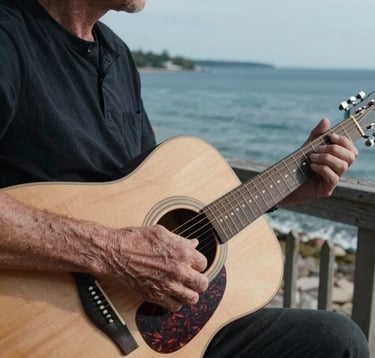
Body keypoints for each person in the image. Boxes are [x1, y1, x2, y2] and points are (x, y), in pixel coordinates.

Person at [0, 0, 369, 357]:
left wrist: (287, 189)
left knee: (335, 339)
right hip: (40, 330)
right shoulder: (9, 36)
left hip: (139, 325)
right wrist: (112, 252)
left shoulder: (116, 55)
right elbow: (127, 248)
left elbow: (146, 198)